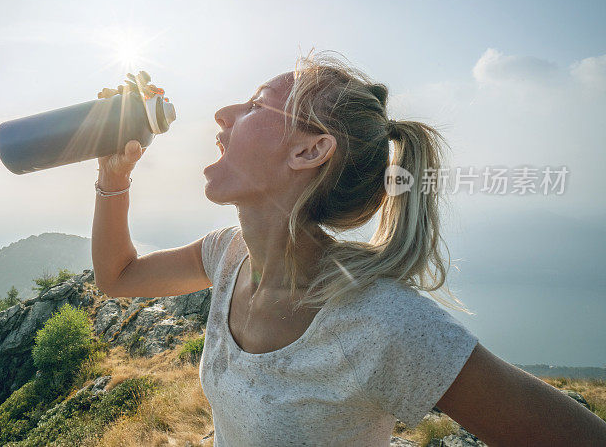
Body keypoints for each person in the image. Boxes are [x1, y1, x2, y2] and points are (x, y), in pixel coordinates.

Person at [91, 51, 606, 446]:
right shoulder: (226, 257)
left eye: (254, 105)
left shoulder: (383, 324)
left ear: (310, 150)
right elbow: (118, 277)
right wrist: (114, 175)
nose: (224, 114)